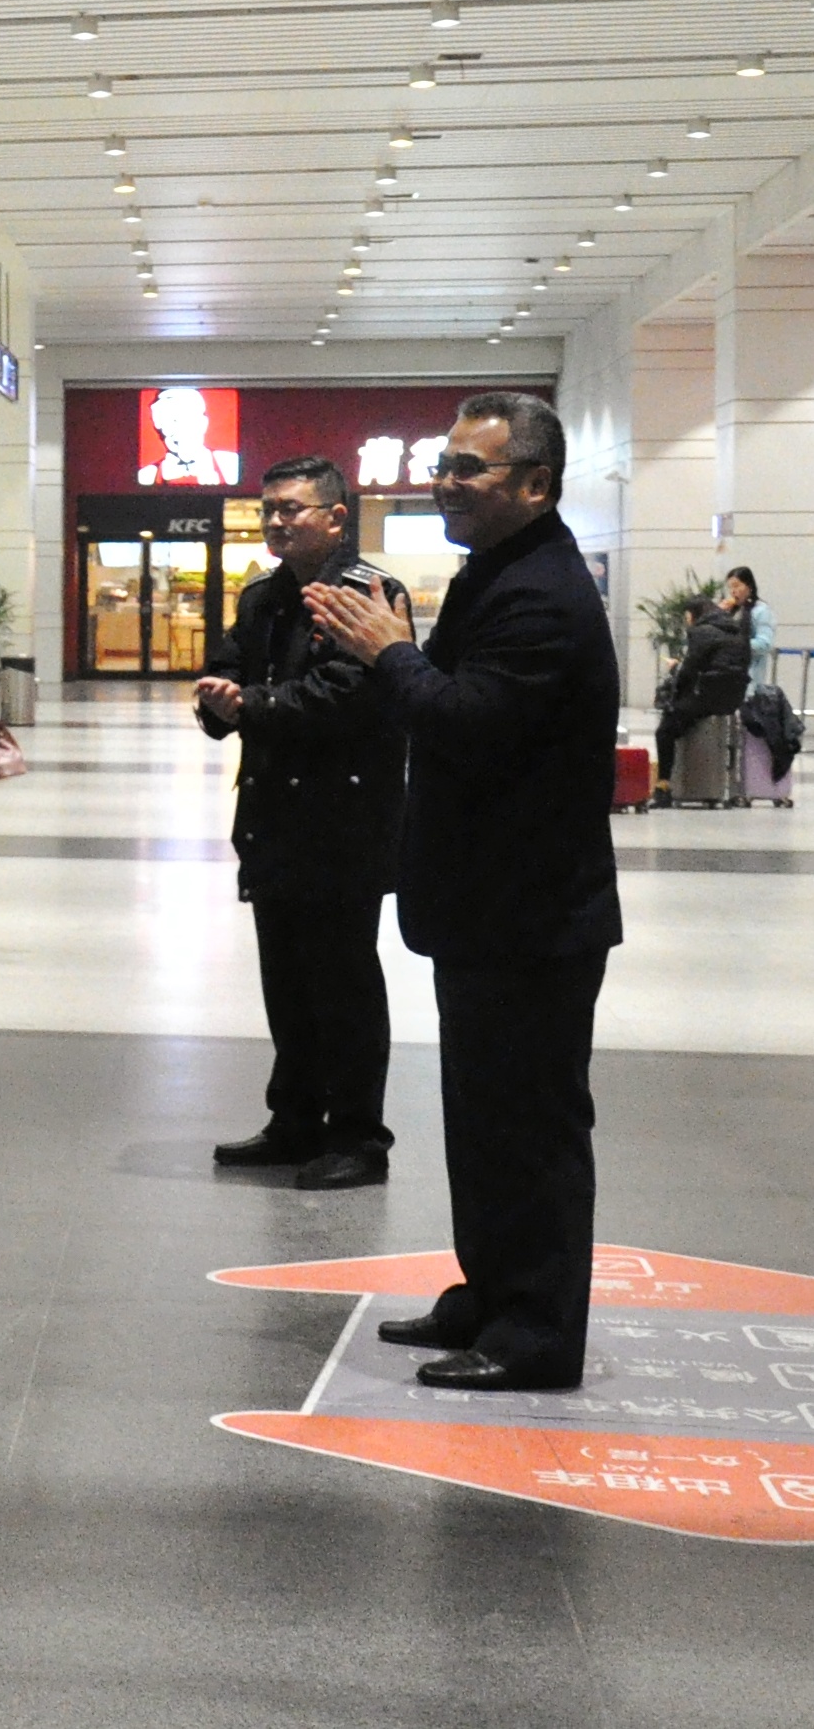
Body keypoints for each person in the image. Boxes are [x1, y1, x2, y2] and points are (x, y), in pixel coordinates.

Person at [305, 391, 621, 1392]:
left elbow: (464, 724)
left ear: (534, 484)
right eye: (442, 463)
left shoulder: (541, 596)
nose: (444, 481)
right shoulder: (500, 573)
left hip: (531, 914)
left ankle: (535, 1333)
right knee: (483, 1123)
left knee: (529, 1130)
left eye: (467, 468)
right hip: (489, 909)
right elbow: (436, 700)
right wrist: (388, 649)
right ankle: (489, 1294)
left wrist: (388, 650)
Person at [194, 456, 409, 1190]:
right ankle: (293, 1122)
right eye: (269, 510)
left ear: (336, 517)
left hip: (344, 822)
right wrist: (218, 700)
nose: (277, 521)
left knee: (342, 984)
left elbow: (349, 694)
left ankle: (357, 1137)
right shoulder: (263, 597)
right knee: (285, 983)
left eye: (292, 508)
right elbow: (229, 668)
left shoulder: (370, 594)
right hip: (272, 817)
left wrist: (250, 705)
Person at [655, 584, 750, 793]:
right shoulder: (735, 629)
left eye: (687, 615)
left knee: (665, 730)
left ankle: (664, 785)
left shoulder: (701, 631)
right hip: (733, 699)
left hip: (707, 698)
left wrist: (675, 669)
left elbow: (689, 671)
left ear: (693, 614)